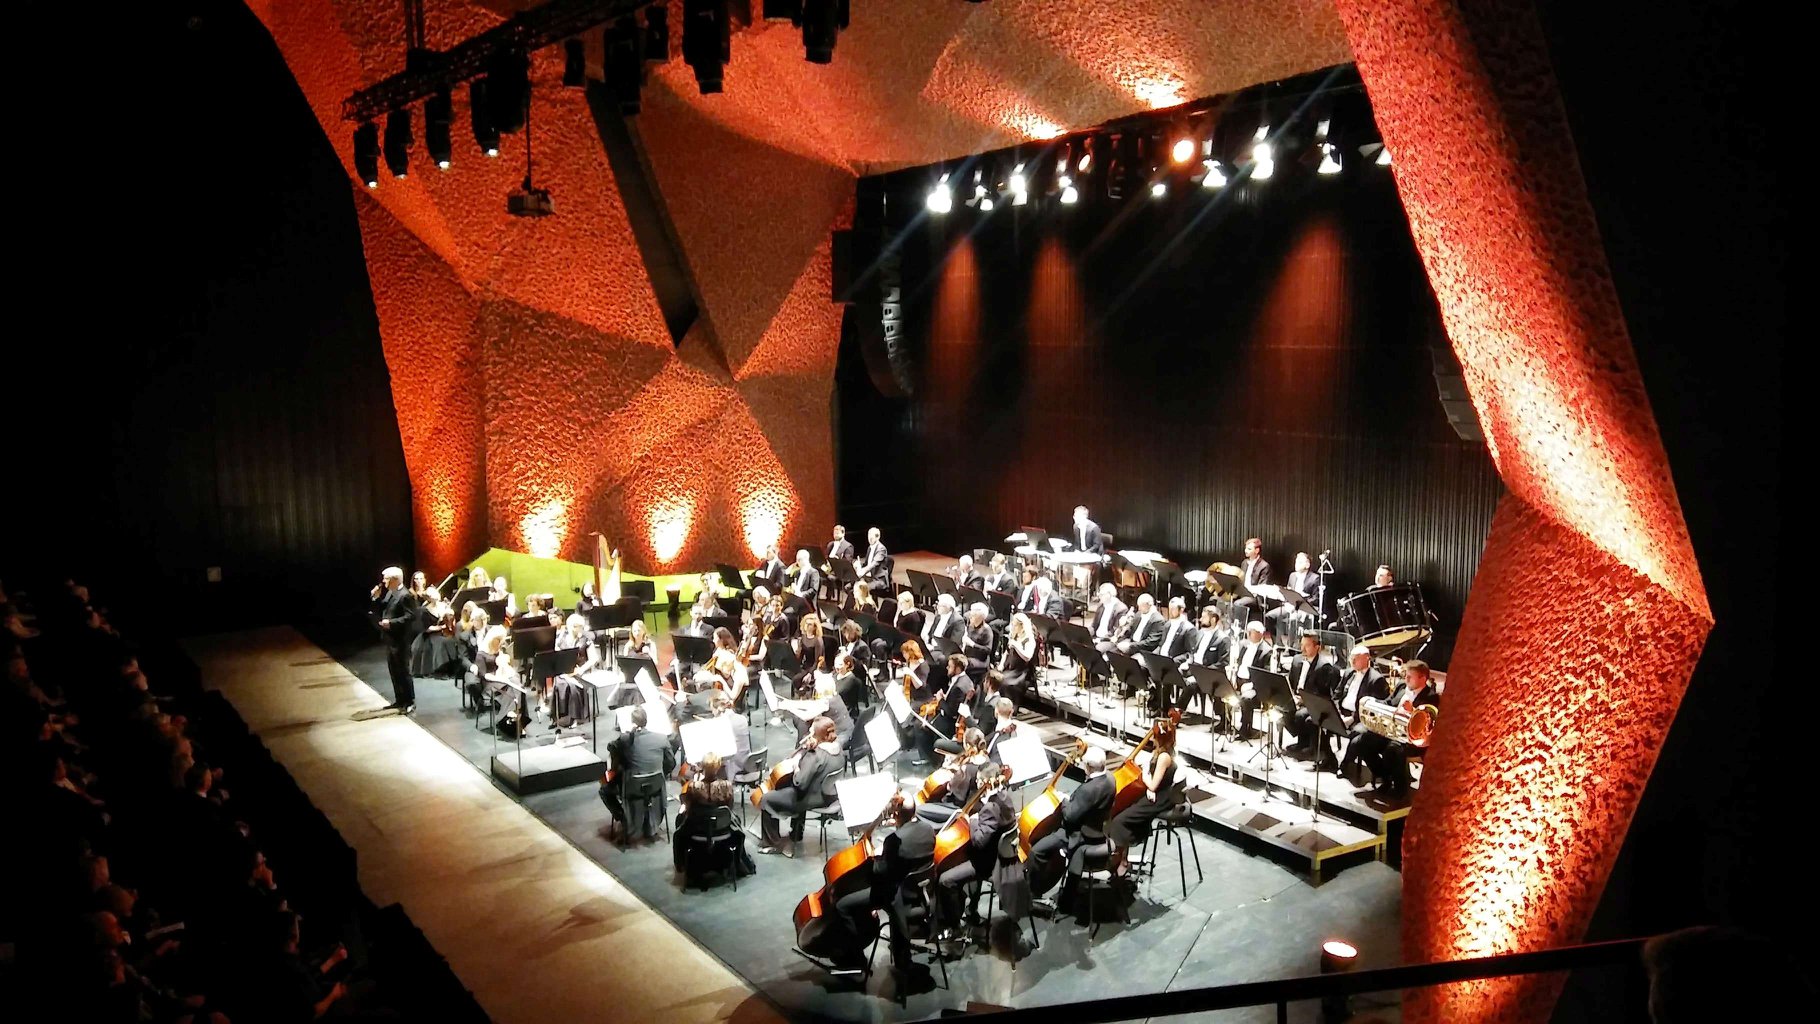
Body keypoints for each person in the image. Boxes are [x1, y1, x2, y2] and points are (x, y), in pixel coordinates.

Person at [835, 794, 934, 981]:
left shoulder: (894, 840)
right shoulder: (928, 829)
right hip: (921, 893)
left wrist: (878, 855)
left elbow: (879, 872)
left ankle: (856, 958)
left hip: (895, 896)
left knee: (843, 905)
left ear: (896, 814)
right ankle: (901, 957)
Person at [1028, 746, 1116, 911]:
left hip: (1080, 834)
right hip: (1098, 830)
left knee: (1036, 851)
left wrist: (1064, 800)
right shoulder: (1111, 779)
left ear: (1089, 767)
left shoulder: (1088, 790)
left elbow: (1069, 816)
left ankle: (1033, 893)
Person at [1353, 660, 1440, 796]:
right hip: (1391, 732)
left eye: (1410, 677)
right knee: (1362, 741)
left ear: (1422, 678)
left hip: (1411, 740)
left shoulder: (1431, 697)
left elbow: (1428, 723)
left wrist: (1413, 710)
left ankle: (1400, 788)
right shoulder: (1401, 686)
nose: (1406, 679)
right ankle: (1385, 777)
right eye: (1406, 675)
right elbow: (1389, 702)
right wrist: (1373, 703)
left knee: (1392, 750)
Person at [758, 717, 842, 857]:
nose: (809, 733)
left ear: (818, 735)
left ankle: (772, 844)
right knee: (789, 788)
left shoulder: (815, 756)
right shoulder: (838, 749)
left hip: (809, 799)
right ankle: (796, 834)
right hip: (828, 797)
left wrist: (797, 764)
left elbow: (799, 783)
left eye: (811, 731)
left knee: (766, 799)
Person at [1108, 719, 1178, 871]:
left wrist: (1145, 774)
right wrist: (1148, 786)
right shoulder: (1160, 752)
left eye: (1154, 736)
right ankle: (1122, 857)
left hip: (1161, 798)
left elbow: (1152, 785)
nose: (1151, 738)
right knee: (1123, 812)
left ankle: (1121, 861)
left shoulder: (1164, 757)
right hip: (1155, 793)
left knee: (1120, 820)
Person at [600, 706, 676, 842]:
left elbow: (610, 747)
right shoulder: (661, 738)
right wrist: (657, 773)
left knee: (604, 790)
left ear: (633, 722)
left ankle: (623, 818)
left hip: (632, 788)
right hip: (656, 787)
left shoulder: (625, 739)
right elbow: (671, 763)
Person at [1286, 632, 1342, 769]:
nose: (1303, 649)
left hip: (1313, 703)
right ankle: (1303, 742)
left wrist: (1304, 700)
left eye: (1307, 646)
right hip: (1296, 698)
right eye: (1302, 645)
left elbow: (1323, 693)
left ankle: (1308, 745)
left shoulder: (1324, 667)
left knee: (1301, 715)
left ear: (1317, 647)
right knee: (1281, 708)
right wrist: (1291, 695)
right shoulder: (1296, 660)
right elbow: (1291, 681)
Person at [1335, 645, 1390, 778]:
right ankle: (1327, 758)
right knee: (1319, 718)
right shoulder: (1349, 673)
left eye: (1356, 659)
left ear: (1366, 658)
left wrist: (1352, 718)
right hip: (1342, 712)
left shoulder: (1376, 680)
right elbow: (1337, 694)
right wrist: (1336, 712)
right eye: (1351, 658)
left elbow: (1374, 709)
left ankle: (1345, 764)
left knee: (1357, 734)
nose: (1352, 662)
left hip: (1360, 718)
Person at [369, 566, 419, 713]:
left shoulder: (405, 595)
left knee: (403, 671)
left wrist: (391, 623)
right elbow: (382, 608)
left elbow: (411, 616)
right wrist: (375, 598)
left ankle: (410, 701)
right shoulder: (391, 593)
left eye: (386, 579)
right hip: (390, 639)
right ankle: (399, 700)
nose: (383, 581)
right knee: (394, 671)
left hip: (401, 640)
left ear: (395, 579)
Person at [1228, 620, 1275, 739]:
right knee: (1221, 688)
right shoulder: (1244, 645)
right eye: (1248, 631)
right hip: (1239, 680)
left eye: (1251, 632)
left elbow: (1265, 675)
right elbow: (1237, 663)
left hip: (1255, 685)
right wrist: (1233, 679)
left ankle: (1245, 727)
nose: (1248, 634)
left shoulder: (1267, 651)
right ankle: (1226, 721)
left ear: (1260, 634)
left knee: (1246, 698)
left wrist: (1250, 685)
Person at [1265, 551, 1321, 639]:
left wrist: (1300, 603)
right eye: (1296, 562)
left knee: (1293, 619)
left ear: (1307, 565)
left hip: (1305, 608)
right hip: (1290, 606)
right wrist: (1287, 603)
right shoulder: (1292, 575)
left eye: (1300, 562)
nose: (1296, 564)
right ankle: (1277, 643)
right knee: (1269, 616)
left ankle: (1292, 645)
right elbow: (1288, 592)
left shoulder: (1315, 578)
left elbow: (1316, 598)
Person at [997, 613, 1037, 708]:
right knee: (995, 677)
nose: (1012, 627)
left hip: (1021, 671)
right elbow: (1006, 652)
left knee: (1005, 682)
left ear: (1022, 626)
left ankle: (1010, 707)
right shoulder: (1014, 636)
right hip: (1009, 668)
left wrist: (1016, 645)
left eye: (1015, 625)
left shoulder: (1029, 639)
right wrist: (1001, 664)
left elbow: (1027, 657)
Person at [1228, 538, 1272, 623]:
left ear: (1257, 550)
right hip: (1242, 592)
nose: (1246, 551)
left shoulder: (1264, 566)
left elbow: (1262, 586)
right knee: (1224, 600)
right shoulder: (1244, 563)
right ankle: (1229, 625)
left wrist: (1249, 590)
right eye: (1246, 548)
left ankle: (1238, 626)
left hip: (1254, 596)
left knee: (1238, 604)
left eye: (1249, 549)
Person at [1089, 583, 1128, 653]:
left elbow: (1115, 631)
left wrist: (1100, 640)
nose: (1099, 596)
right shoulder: (1101, 606)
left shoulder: (1121, 609)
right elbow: (1094, 625)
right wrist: (1087, 633)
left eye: (1101, 594)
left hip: (1109, 640)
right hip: (1097, 637)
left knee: (1096, 650)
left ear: (1109, 594)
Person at [959, 603, 994, 675]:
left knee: (961, 664)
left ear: (981, 617)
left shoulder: (987, 630)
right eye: (970, 615)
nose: (970, 617)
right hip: (968, 655)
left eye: (973, 615)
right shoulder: (970, 626)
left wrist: (973, 644)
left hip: (980, 660)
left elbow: (987, 650)